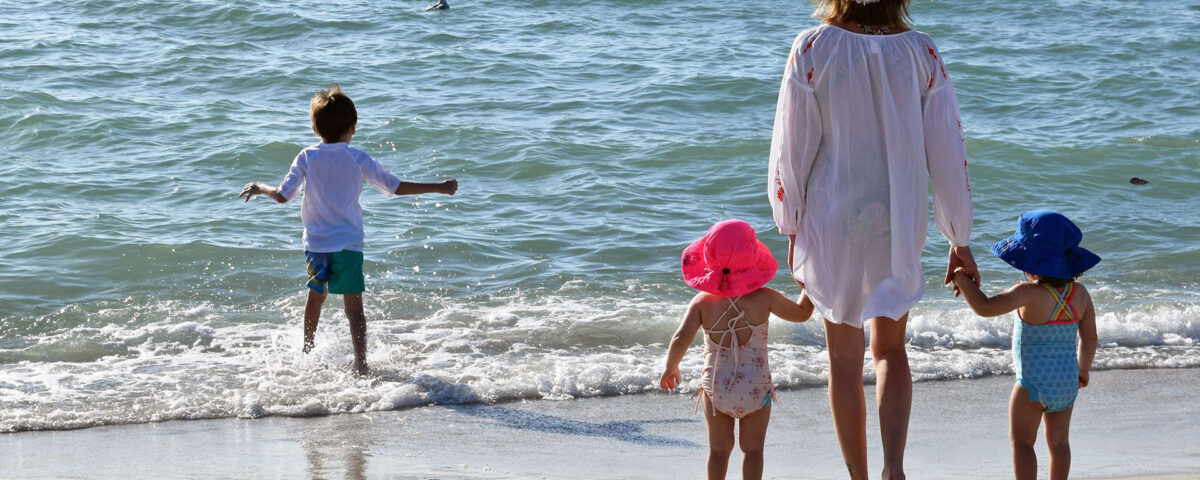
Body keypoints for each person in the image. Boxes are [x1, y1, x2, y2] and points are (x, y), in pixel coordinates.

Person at [766, 0, 977, 478]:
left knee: (844, 359)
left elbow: (791, 145)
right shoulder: (922, 52)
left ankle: (858, 476)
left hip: (832, 215)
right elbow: (946, 147)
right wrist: (957, 236)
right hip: (897, 218)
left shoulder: (814, 47)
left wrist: (791, 220)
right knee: (891, 350)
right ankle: (894, 469)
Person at [238, 84, 458, 374]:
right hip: (350, 246)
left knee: (315, 298)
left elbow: (282, 195)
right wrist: (439, 188)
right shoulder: (358, 159)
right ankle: (361, 365)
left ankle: (307, 353)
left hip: (316, 246)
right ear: (352, 127)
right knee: (354, 310)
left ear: (315, 130)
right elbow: (397, 187)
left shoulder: (307, 156)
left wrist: (259, 187)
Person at [659, 219, 815, 480]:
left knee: (718, 452)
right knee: (753, 451)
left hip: (716, 389)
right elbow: (801, 314)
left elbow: (680, 338)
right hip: (755, 388)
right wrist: (809, 287)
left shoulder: (702, 303)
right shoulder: (765, 298)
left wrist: (671, 367)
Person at [950, 210, 1099, 480]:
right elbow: (1090, 338)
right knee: (1060, 444)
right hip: (1066, 382)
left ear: (1031, 260)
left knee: (1022, 444)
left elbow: (984, 307)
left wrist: (961, 279)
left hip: (1033, 383)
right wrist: (1083, 369)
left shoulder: (1028, 293)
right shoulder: (1081, 295)